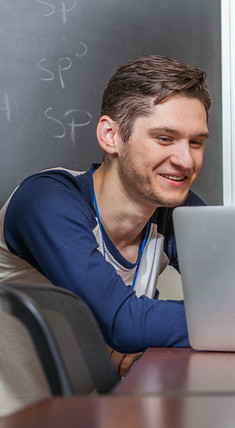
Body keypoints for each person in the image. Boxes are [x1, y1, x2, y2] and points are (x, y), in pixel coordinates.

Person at [0, 55, 211, 373]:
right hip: (18, 420)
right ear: (111, 135)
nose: (185, 160)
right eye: (164, 138)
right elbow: (124, 324)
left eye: (196, 142)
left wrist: (149, 332)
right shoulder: (46, 199)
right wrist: (136, 327)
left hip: (100, 413)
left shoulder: (174, 209)